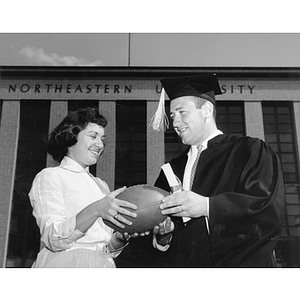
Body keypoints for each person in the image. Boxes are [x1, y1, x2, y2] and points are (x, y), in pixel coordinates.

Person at [150, 73, 285, 267]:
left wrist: (207, 206)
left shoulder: (248, 151)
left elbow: (266, 208)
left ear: (206, 110)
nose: (175, 123)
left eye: (182, 112)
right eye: (172, 115)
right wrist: (163, 238)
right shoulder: (171, 170)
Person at [28, 107, 137, 268]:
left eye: (103, 139)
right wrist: (95, 210)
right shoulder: (50, 176)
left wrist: (118, 239)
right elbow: (53, 238)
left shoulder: (101, 185)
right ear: (71, 137)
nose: (100, 145)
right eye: (93, 136)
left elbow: (104, 248)